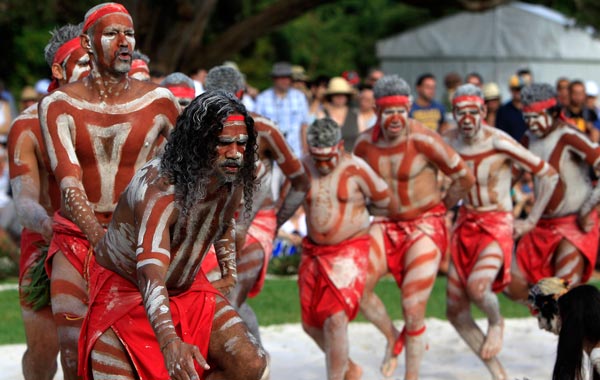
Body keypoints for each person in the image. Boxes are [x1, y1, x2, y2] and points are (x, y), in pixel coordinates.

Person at [79, 90, 268, 380]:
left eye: (241, 144)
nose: (235, 153)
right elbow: (150, 274)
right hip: (128, 294)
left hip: (190, 290)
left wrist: (229, 270)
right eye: (224, 143)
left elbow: (223, 220)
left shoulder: (231, 175)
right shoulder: (160, 189)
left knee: (251, 364)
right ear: (198, 144)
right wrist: (169, 343)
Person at [38, 3, 180, 377]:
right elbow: (69, 183)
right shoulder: (58, 105)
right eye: (112, 33)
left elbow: (189, 174)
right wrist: (101, 240)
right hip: (78, 240)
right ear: (87, 42)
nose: (124, 43)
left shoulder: (160, 102)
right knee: (72, 349)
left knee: (146, 346)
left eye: (129, 34)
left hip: (139, 240)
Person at [353, 75, 475, 378]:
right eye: (387, 111)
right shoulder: (365, 143)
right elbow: (353, 180)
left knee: (412, 304)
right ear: (377, 111)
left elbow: (464, 177)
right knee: (357, 287)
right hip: (385, 223)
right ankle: (394, 337)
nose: (394, 118)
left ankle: (412, 376)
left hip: (425, 225)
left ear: (408, 108)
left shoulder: (424, 138)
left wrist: (444, 208)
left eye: (399, 111)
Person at [443, 84, 558, 380]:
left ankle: (496, 321)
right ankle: (498, 374)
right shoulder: (448, 141)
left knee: (479, 287)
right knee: (455, 310)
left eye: (472, 111)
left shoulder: (500, 141)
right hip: (465, 223)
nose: (466, 118)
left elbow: (547, 173)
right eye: (460, 112)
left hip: (496, 222)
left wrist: (532, 219)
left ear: (483, 111)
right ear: (453, 114)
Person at [8, 23, 91, 380]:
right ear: (59, 70)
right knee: (44, 354)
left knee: (91, 353)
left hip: (104, 247)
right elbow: (24, 200)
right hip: (47, 243)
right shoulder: (28, 125)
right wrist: (51, 227)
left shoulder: (120, 114)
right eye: (85, 62)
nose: (95, 69)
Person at [202, 65, 309, 336]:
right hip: (211, 220)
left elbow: (300, 180)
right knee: (208, 300)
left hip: (256, 221)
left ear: (241, 95)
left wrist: (276, 223)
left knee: (229, 301)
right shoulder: (196, 130)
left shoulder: (264, 130)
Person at [297, 117, 391, 380]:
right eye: (318, 158)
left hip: (351, 249)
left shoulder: (357, 168)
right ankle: (349, 368)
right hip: (314, 252)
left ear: (340, 146)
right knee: (310, 325)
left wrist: (364, 224)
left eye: (329, 158)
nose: (324, 165)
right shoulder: (303, 167)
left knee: (335, 320)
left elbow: (384, 200)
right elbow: (286, 201)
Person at [506, 83, 600, 303]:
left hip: (574, 226)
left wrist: (588, 209)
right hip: (542, 226)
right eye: (527, 118)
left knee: (562, 292)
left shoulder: (569, 135)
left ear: (553, 113)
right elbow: (511, 175)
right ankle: (559, 325)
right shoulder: (529, 138)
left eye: (537, 117)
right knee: (513, 286)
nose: (531, 124)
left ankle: (574, 330)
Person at [255, 61, 310, 157]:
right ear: (274, 79)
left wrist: (305, 150)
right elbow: (256, 127)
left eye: (288, 77)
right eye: (281, 77)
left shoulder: (300, 97)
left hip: (296, 153)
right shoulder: (262, 98)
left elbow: (304, 126)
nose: (285, 81)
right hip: (271, 154)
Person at [315, 76, 360, 151]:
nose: (340, 97)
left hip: (352, 159)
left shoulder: (356, 115)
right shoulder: (321, 115)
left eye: (343, 94)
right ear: (330, 96)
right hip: (329, 159)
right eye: (336, 94)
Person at [495, 74, 529, 141]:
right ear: (510, 89)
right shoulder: (503, 111)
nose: (519, 91)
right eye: (515, 89)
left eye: (521, 89)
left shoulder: (530, 109)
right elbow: (501, 134)